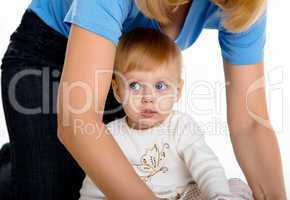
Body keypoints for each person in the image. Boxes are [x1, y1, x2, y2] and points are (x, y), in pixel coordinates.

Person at [0, 0, 286, 199]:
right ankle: (19, 159)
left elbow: (249, 123)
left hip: (123, 69)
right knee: (54, 190)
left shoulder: (245, 6)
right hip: (46, 55)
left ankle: (33, 151)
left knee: (121, 177)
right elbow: (78, 121)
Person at [78, 27, 254, 200]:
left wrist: (219, 196)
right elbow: (94, 188)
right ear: (117, 91)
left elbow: (206, 166)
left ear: (177, 91)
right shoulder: (110, 137)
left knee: (233, 186)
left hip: (185, 195)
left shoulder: (180, 126)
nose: (148, 97)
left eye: (160, 86)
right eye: (135, 86)